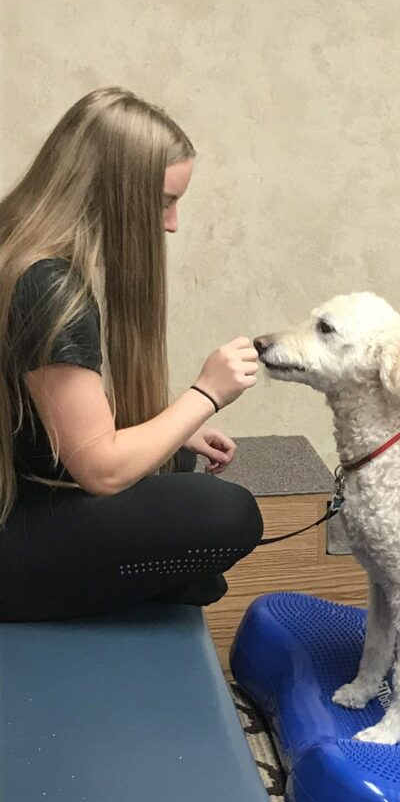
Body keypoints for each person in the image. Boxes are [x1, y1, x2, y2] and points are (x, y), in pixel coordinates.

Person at [0, 87, 263, 621]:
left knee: (176, 456)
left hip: (18, 491)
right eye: (165, 201)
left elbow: (43, 408)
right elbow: (99, 469)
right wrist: (205, 393)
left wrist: (172, 425)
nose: (170, 225)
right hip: (15, 526)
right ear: (115, 191)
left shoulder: (18, 247)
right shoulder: (51, 287)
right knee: (228, 514)